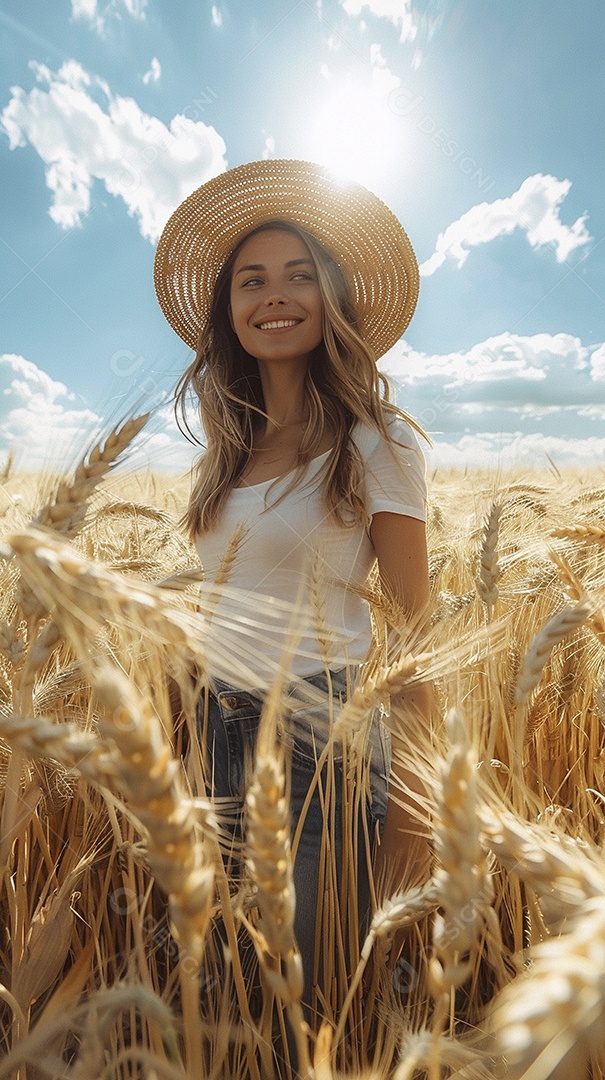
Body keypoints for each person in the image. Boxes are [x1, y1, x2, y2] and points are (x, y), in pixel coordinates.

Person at [153, 159, 432, 1017]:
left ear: (331, 297)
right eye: (251, 280)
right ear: (228, 311)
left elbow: (415, 636)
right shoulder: (226, 454)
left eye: (298, 275)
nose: (274, 295)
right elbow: (212, 606)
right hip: (214, 732)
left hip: (322, 738)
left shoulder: (376, 440)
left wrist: (413, 814)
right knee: (227, 991)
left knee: (308, 998)